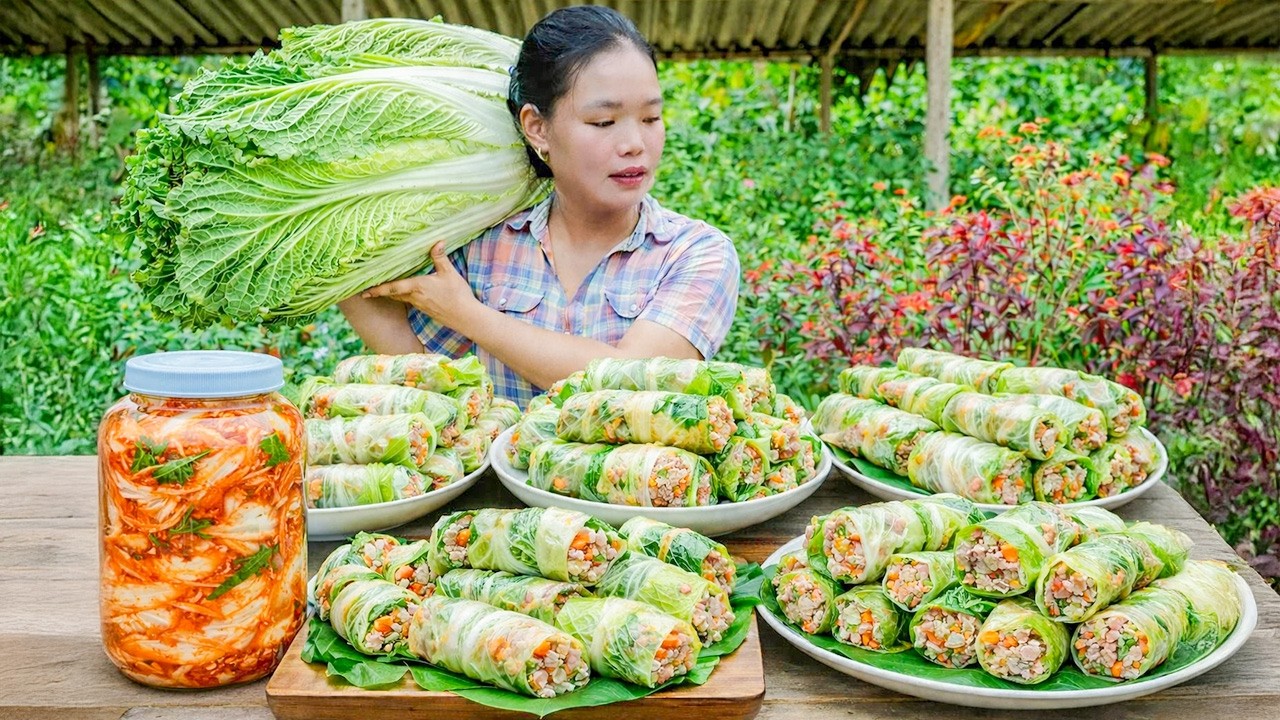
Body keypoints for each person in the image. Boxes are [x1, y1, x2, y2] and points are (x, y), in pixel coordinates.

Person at [339, 5, 740, 408]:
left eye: (651, 118)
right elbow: (431, 372)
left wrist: (468, 314)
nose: (635, 143)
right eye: (604, 122)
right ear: (537, 127)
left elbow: (632, 384)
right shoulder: (482, 243)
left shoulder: (695, 253)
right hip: (495, 475)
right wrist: (330, 254)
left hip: (635, 473)